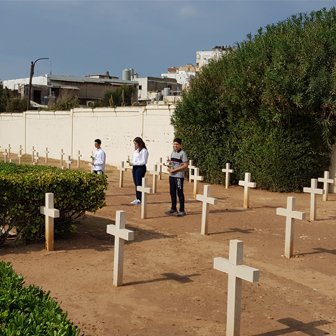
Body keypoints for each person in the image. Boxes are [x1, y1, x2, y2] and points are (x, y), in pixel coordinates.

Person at [165, 138, 188, 216]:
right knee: (172, 192)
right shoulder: (172, 153)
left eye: (177, 144)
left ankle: (182, 210)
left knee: (180, 193)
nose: (175, 146)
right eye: (174, 144)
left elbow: (185, 165)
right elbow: (171, 163)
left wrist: (175, 170)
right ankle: (173, 208)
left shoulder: (183, 153)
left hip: (179, 176)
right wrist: (169, 167)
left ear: (180, 145)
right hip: (172, 175)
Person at [129, 137, 149, 205]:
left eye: (136, 143)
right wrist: (131, 163)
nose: (135, 145)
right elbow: (134, 159)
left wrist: (134, 163)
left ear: (139, 143)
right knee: (136, 183)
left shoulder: (144, 151)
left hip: (140, 168)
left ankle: (140, 199)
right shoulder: (136, 151)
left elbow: (144, 161)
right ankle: (137, 198)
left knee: (139, 183)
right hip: (135, 168)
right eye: (134, 144)